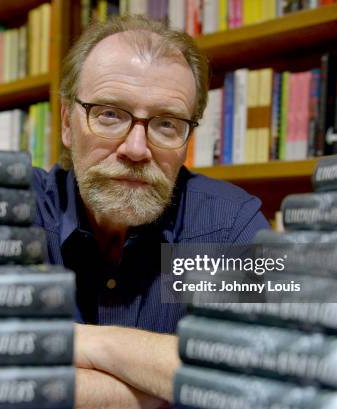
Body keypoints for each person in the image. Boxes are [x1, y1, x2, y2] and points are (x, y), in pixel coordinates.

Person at [31, 15, 270, 408]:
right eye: (109, 114)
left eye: (166, 123)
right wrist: (172, 382)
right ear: (66, 124)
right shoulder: (15, 214)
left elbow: (269, 370)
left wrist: (85, 341)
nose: (137, 149)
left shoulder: (224, 227)